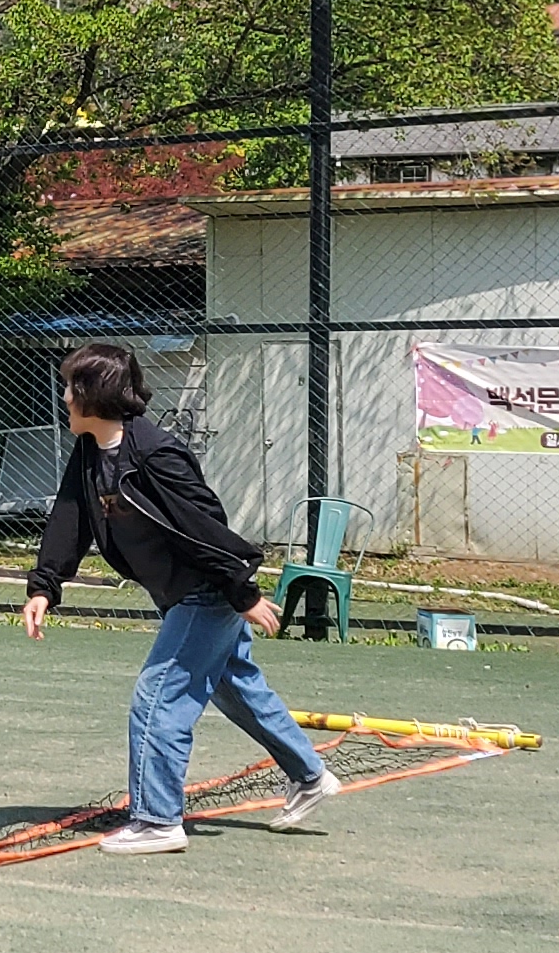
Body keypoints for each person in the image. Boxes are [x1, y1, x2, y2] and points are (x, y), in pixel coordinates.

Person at [19, 343, 335, 854]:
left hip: (205, 593)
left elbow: (202, 523)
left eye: (70, 388)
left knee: (158, 696)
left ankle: (158, 822)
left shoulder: (155, 452)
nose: (63, 397)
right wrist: (44, 586)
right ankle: (310, 775)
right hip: (179, 595)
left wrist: (240, 591)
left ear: (93, 396)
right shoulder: (89, 451)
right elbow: (70, 518)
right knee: (239, 692)